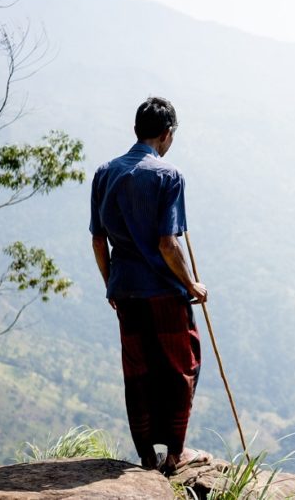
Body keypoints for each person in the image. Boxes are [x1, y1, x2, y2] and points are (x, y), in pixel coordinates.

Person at [90, 96, 207, 475]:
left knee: (138, 371)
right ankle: (174, 455)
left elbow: (98, 239)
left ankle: (144, 456)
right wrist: (192, 285)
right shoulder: (169, 176)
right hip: (163, 292)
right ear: (167, 134)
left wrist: (112, 285)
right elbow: (167, 243)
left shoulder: (104, 173)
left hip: (126, 291)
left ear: (136, 130)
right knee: (181, 366)